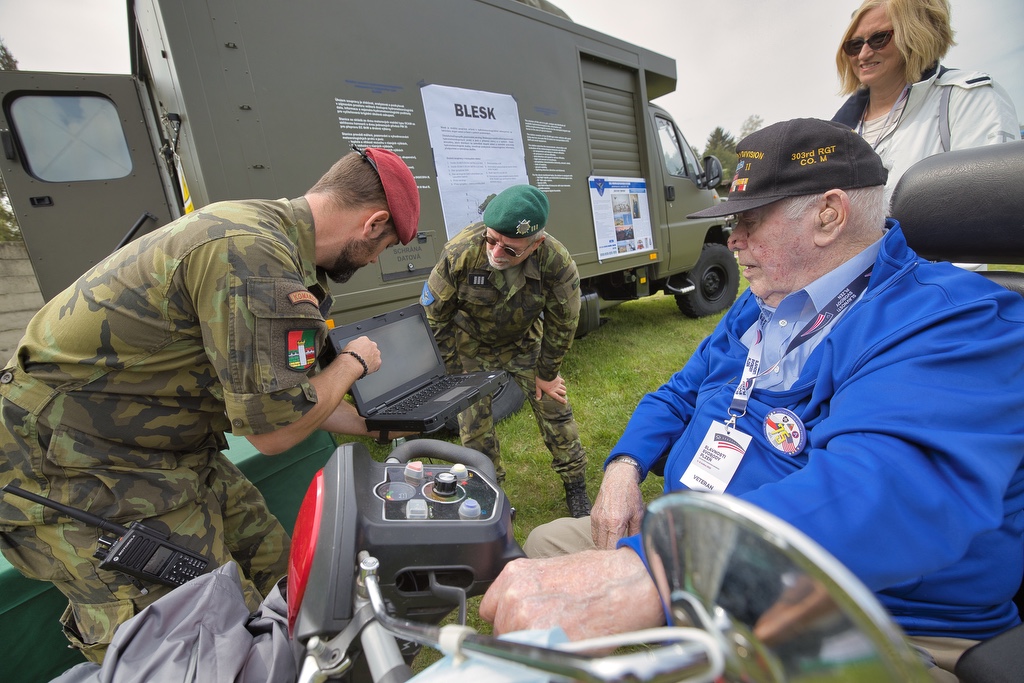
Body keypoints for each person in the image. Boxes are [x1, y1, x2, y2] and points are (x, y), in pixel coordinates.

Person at [479, 119, 1024, 681]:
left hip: (865, 615)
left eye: (748, 220)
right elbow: (677, 394)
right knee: (549, 543)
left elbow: (884, 493)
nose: (733, 238)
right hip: (703, 555)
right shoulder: (762, 304)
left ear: (828, 215)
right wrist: (623, 467)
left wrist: (667, 568)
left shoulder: (954, 323)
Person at [0, 146, 420, 662]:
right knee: (198, 642)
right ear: (374, 222)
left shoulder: (262, 235)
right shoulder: (252, 258)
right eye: (384, 246)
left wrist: (372, 422)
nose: (376, 261)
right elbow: (274, 436)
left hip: (159, 446)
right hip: (69, 466)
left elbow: (284, 403)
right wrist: (353, 362)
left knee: (281, 572)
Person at [420, 184, 591, 517]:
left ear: (535, 243)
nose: (497, 253)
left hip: (524, 342)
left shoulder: (556, 262)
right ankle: (489, 493)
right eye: (492, 240)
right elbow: (434, 317)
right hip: (469, 344)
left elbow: (563, 322)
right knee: (473, 427)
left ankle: (576, 485)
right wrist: (455, 376)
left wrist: (547, 373)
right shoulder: (461, 252)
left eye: (511, 249)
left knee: (555, 409)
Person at [831, 0, 1019, 209]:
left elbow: (991, 204)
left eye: (879, 39)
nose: (863, 54)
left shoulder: (968, 98)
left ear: (916, 35)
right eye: (855, 45)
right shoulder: (834, 132)